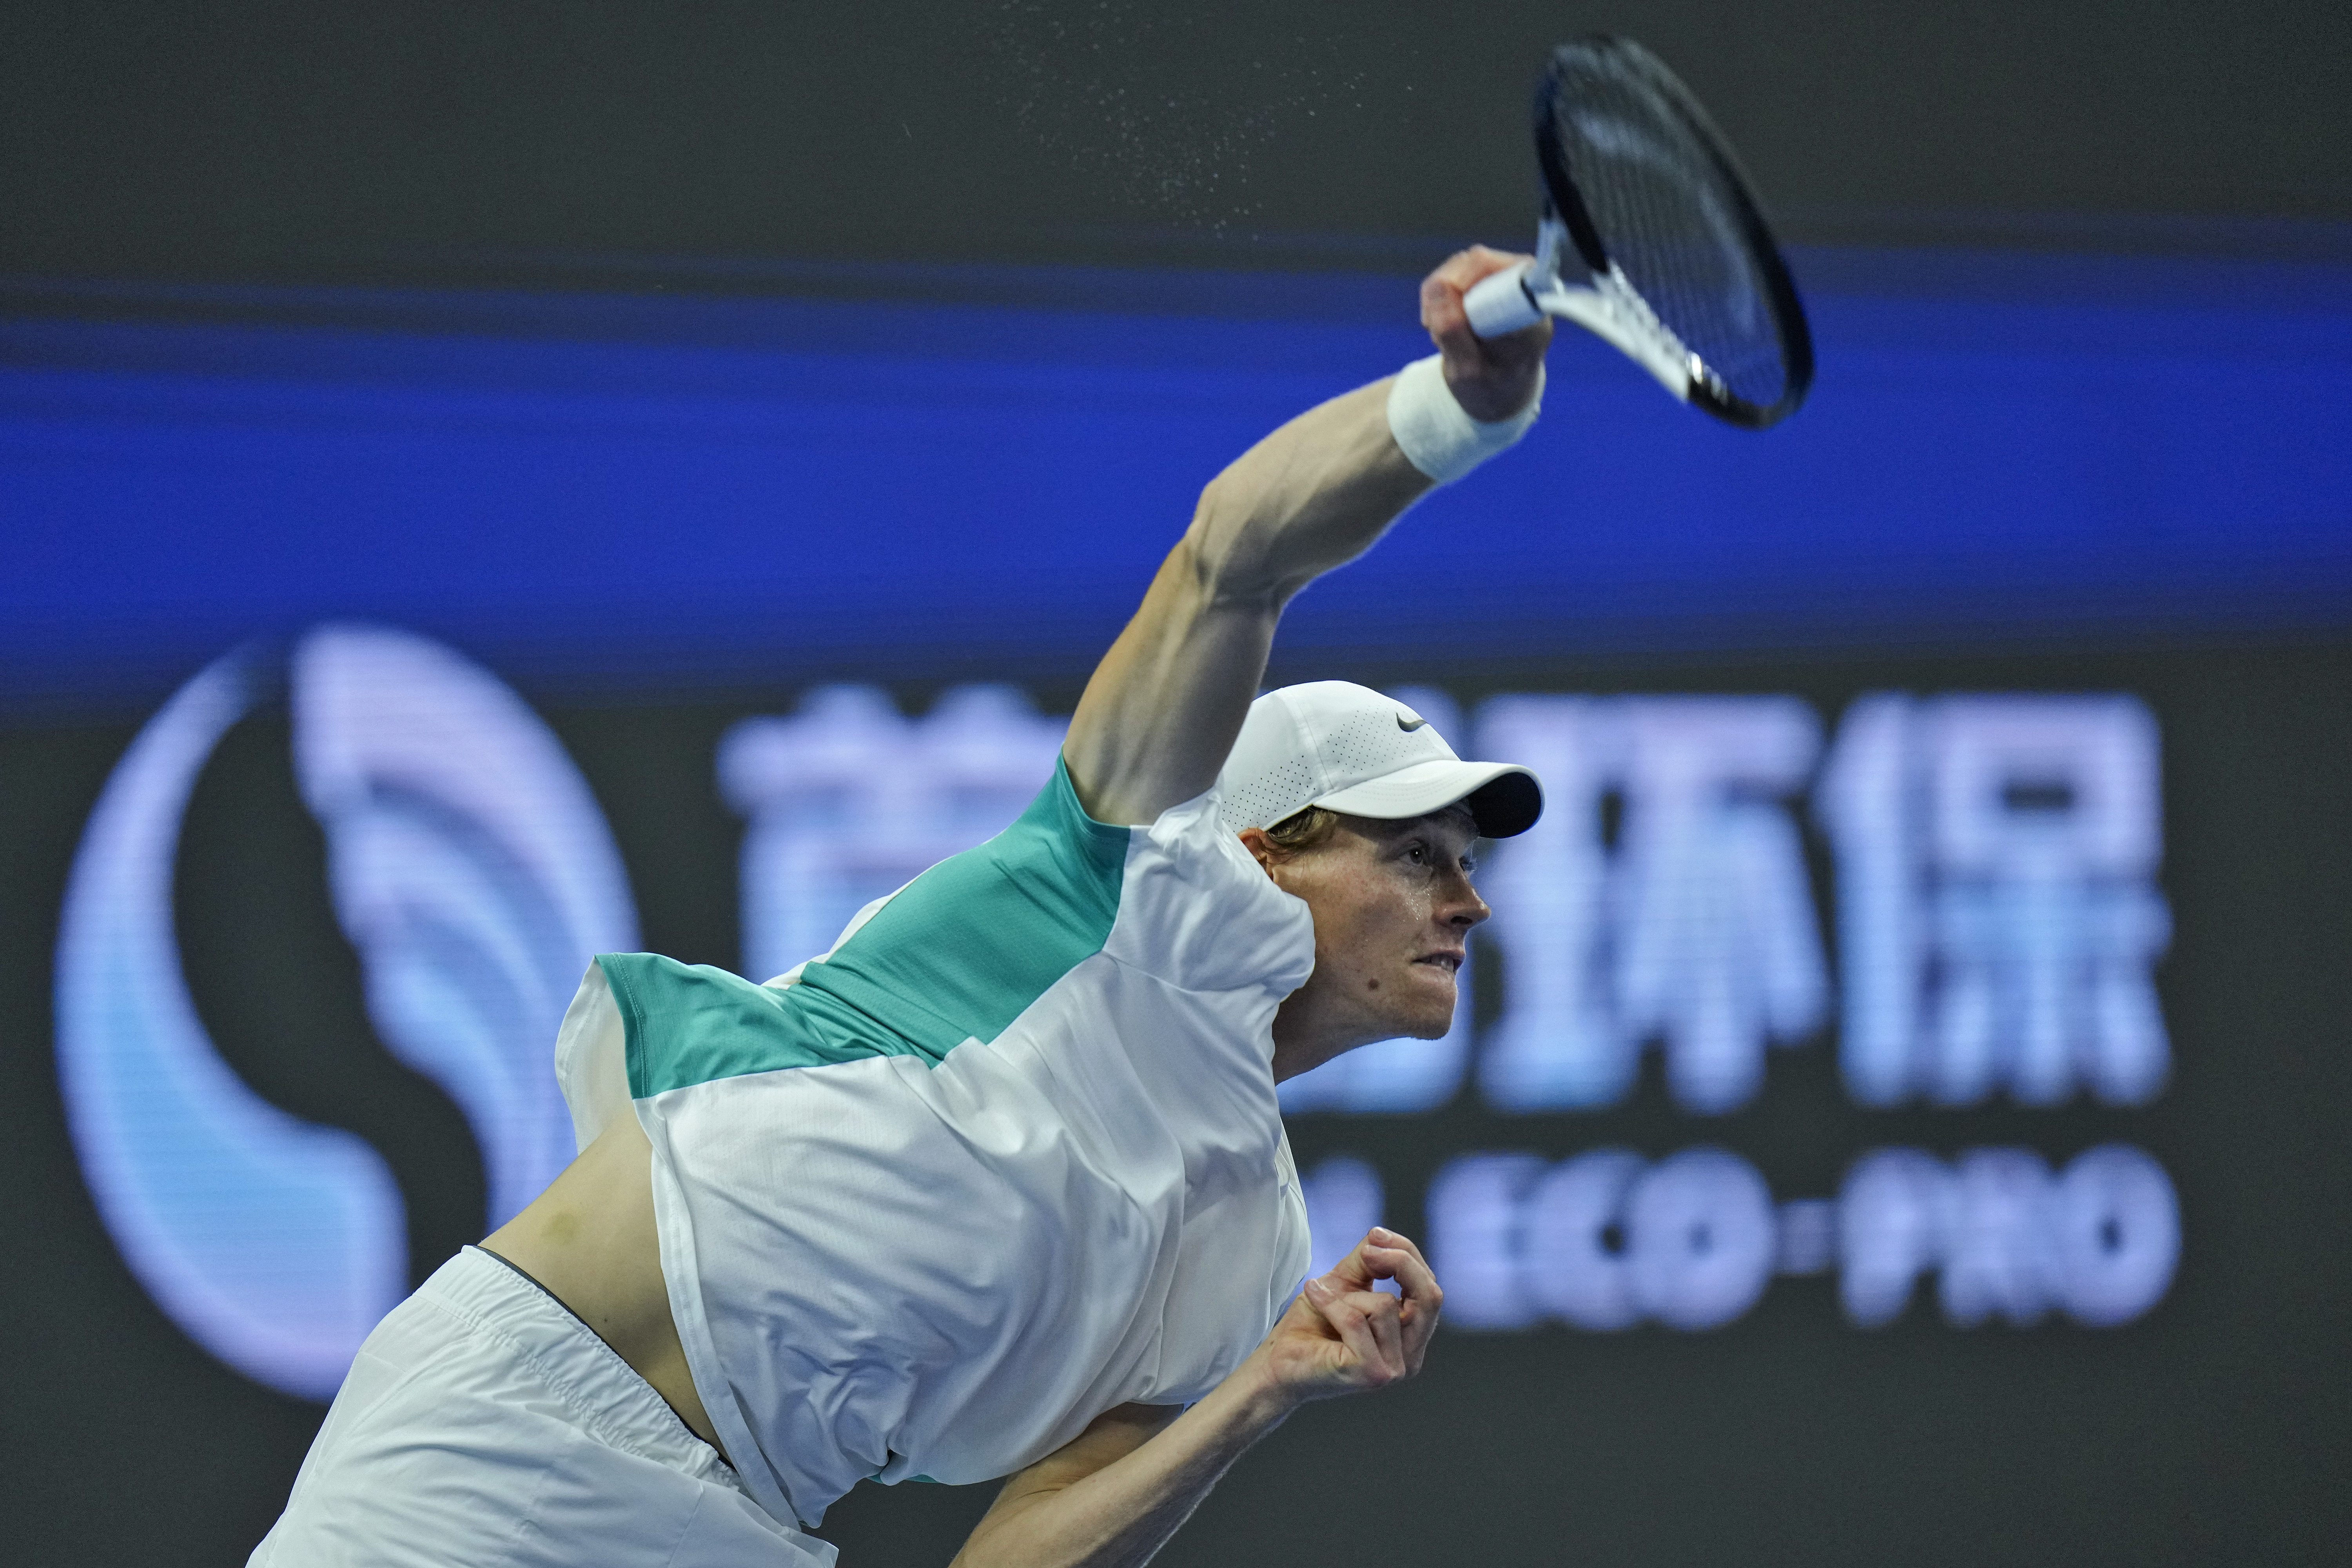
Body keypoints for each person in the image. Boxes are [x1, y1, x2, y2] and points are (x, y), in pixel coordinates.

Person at [250, 248, 1555, 1567]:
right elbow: (1236, 556)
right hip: (496, 1443)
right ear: (1270, 849)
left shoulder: (1245, 1242)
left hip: (737, 1536)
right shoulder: (1110, 879)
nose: (1471, 903)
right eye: (1418, 856)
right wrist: (1461, 411)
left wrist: (1257, 1393)